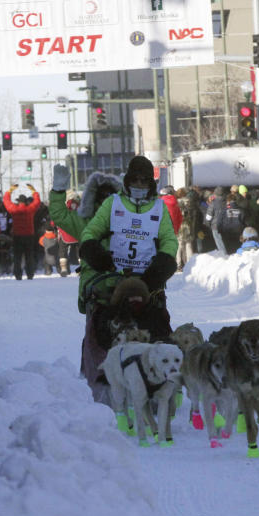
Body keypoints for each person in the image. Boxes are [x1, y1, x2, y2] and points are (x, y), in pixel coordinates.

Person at [78, 156, 178, 403]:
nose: (140, 184)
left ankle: (161, 384)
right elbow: (91, 232)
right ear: (127, 180)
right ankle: (104, 382)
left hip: (148, 281)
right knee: (105, 326)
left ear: (151, 184)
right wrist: (97, 254)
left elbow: (169, 240)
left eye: (145, 180)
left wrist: (162, 265)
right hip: (114, 279)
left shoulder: (159, 208)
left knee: (158, 326)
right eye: (135, 180)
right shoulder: (113, 204)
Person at [3, 184, 42, 280]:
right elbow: (37, 202)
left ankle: (18, 274)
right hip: (29, 235)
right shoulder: (30, 209)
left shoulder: (13, 209)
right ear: (26, 202)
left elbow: (6, 201)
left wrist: (10, 191)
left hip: (17, 236)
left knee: (17, 257)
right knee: (29, 256)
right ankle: (30, 274)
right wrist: (34, 191)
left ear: (18, 201)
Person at [205, 186, 227, 253]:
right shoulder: (226, 202)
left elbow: (208, 217)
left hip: (215, 226)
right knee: (224, 241)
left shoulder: (213, 203)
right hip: (225, 225)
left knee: (219, 242)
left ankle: (224, 256)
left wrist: (207, 224)